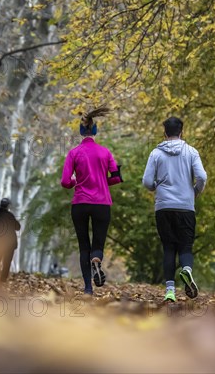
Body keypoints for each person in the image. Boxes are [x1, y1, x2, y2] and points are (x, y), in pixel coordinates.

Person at [142, 117, 207, 302]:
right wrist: (194, 192)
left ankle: (170, 292)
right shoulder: (191, 152)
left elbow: (147, 181)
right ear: (182, 132)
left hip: (163, 207)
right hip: (186, 207)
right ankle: (186, 269)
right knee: (185, 247)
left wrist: (156, 186)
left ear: (165, 133)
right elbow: (202, 176)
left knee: (168, 248)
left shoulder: (156, 153)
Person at [61, 108, 123, 295]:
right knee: (98, 241)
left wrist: (74, 182)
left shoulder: (74, 153)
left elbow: (65, 182)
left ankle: (88, 287)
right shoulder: (105, 153)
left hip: (80, 203)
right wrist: (105, 180)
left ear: (81, 132)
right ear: (95, 131)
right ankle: (97, 258)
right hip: (102, 203)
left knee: (83, 245)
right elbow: (116, 178)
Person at [0, 198, 21, 282]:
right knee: (6, 262)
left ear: (0, 204)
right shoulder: (10, 216)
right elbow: (18, 227)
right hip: (9, 244)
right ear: (8, 206)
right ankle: (3, 280)